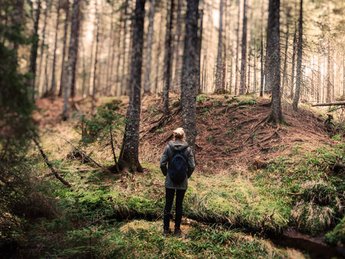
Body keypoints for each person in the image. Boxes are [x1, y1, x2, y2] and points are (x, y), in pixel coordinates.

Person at [160, 127, 195, 236]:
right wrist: (186, 176)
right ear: (183, 136)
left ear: (174, 136)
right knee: (179, 205)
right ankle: (177, 230)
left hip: (170, 181)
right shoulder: (188, 149)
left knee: (168, 204)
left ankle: (166, 230)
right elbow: (192, 166)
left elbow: (162, 164)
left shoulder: (168, 148)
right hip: (182, 181)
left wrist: (167, 174)